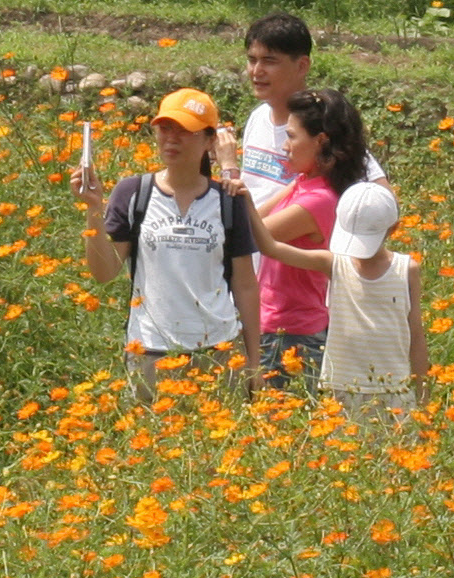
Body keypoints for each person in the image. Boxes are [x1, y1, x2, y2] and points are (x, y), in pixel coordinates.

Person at [75, 87, 261, 405]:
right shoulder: (133, 192)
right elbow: (105, 273)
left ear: (209, 141)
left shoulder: (228, 201)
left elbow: (245, 286)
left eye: (184, 130)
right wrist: (94, 208)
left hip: (218, 352)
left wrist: (254, 366)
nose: (171, 138)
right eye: (165, 128)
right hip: (150, 351)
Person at [237, 179, 426, 428]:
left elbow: (416, 333)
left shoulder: (407, 269)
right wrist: (247, 202)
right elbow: (271, 248)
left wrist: (425, 398)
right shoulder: (334, 263)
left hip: (394, 391)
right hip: (341, 389)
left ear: (394, 228)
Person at [244, 87, 371, 395]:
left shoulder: (320, 199)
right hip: (273, 324)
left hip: (291, 335)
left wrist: (231, 174)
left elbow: (251, 232)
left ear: (321, 141)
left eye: (292, 137)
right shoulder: (302, 183)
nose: (285, 146)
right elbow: (257, 216)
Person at [240, 13, 386, 213]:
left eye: (269, 61)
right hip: (253, 236)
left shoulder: (321, 122)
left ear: (302, 66)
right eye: (252, 60)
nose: (256, 71)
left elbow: (385, 203)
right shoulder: (258, 117)